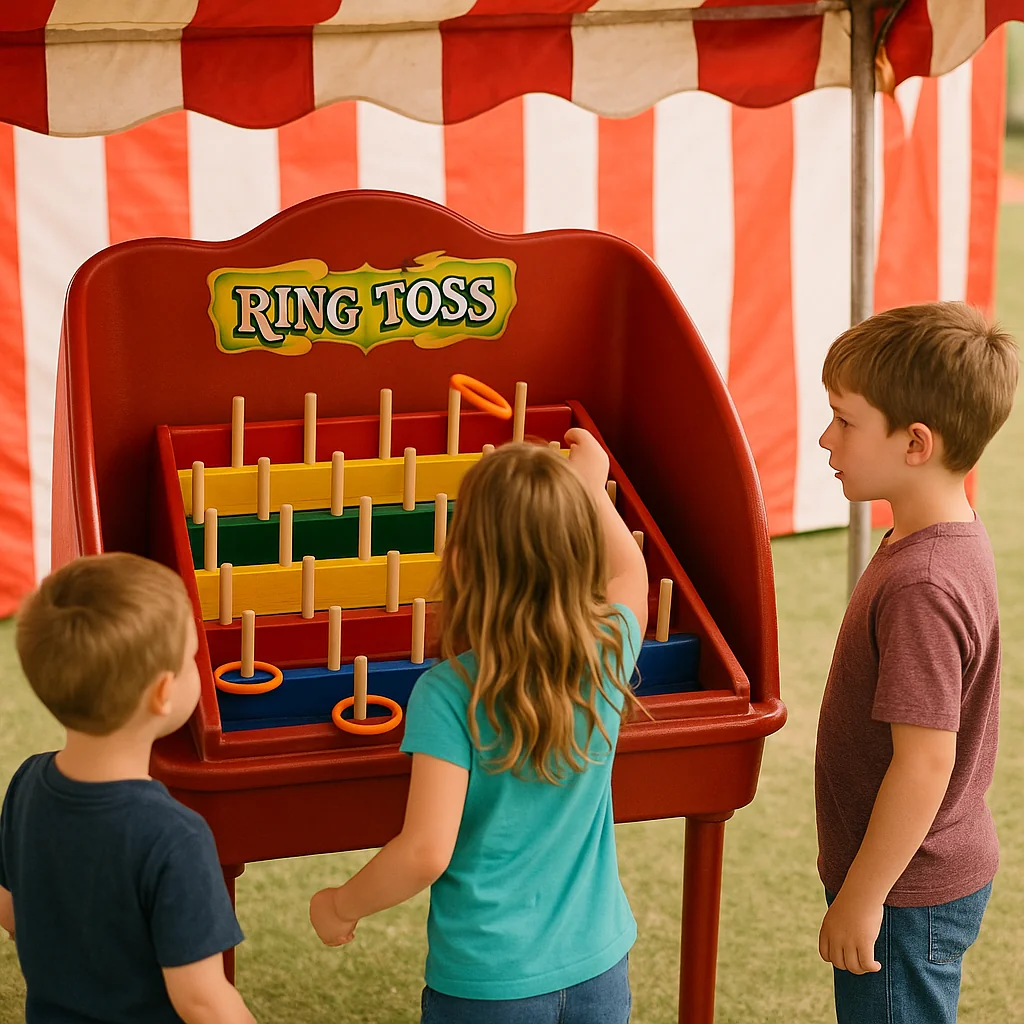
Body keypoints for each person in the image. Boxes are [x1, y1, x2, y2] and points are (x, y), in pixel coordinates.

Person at [310, 429, 649, 1024]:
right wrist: (590, 486)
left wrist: (341, 904)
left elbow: (424, 851)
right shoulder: (609, 648)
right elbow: (630, 575)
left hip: (490, 982)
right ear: (580, 556)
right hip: (599, 963)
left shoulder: (448, 694)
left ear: (462, 559)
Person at [815, 302, 1019, 1023]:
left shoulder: (923, 582)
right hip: (911, 878)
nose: (824, 437)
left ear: (915, 443)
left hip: (904, 892)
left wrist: (863, 896)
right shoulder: (935, 535)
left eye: (844, 419)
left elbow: (925, 762)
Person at [0, 553, 255, 1024]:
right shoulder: (175, 835)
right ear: (163, 693)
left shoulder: (26, 784)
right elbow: (202, 1000)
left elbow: (11, 911)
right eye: (190, 658)